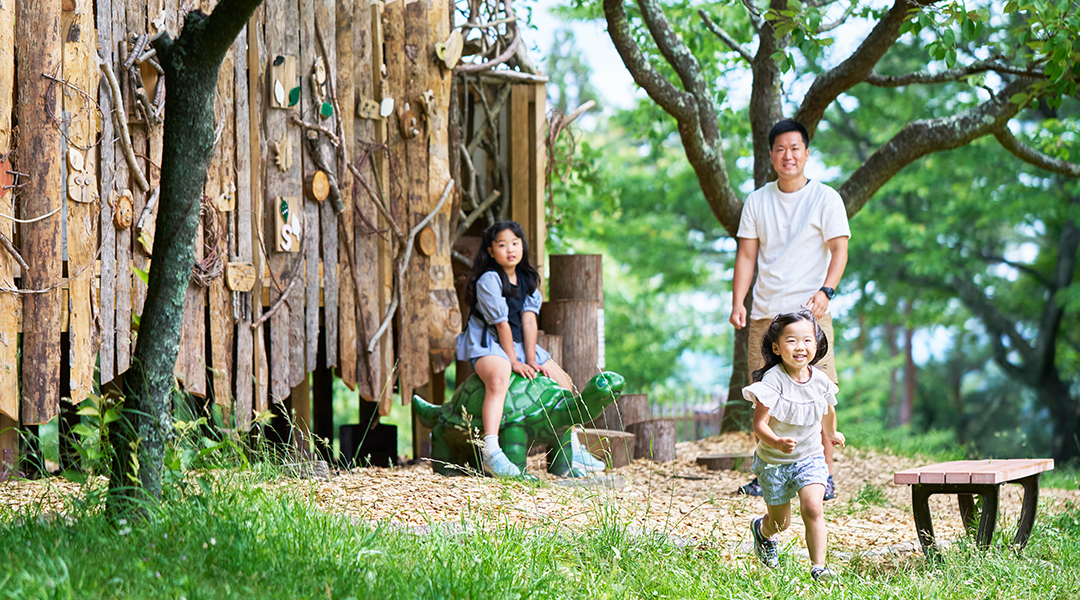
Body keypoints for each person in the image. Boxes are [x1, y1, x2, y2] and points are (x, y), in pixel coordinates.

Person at [730, 118, 849, 501]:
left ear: (807, 154)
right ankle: (766, 473)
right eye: (780, 149)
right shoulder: (757, 201)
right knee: (767, 395)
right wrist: (738, 302)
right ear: (770, 155)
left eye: (795, 148)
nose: (788, 156)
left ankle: (824, 473)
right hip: (766, 312)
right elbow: (747, 254)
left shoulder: (825, 198)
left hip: (810, 313)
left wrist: (826, 291)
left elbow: (839, 249)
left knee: (820, 393)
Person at [457, 221, 603, 477]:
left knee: (563, 381)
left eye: (515, 243)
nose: (510, 249)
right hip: (488, 342)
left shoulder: (526, 278)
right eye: (502, 245)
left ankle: (572, 444)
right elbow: (501, 325)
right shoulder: (490, 280)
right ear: (491, 251)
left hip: (518, 343)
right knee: (499, 377)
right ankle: (490, 449)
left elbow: (528, 320)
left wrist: (533, 357)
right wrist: (514, 361)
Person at [744, 310, 845, 581]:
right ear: (777, 347)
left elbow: (828, 409)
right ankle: (763, 532)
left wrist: (831, 432)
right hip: (775, 463)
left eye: (807, 340)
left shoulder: (821, 380)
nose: (800, 347)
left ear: (816, 344)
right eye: (791, 340)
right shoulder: (773, 381)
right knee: (780, 522)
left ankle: (819, 567)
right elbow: (759, 425)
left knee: (813, 506)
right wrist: (776, 441)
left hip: (810, 457)